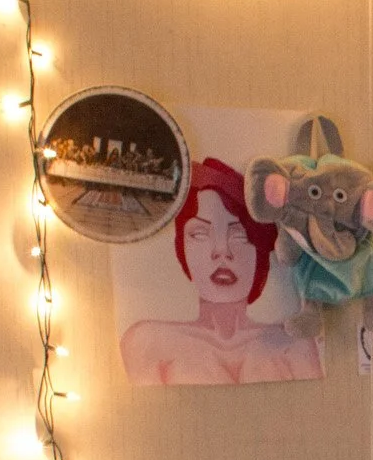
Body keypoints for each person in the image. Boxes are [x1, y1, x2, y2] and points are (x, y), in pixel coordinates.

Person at [120, 157, 322, 386]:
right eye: (199, 234)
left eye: (240, 235)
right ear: (182, 248)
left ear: (260, 249)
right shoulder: (148, 341)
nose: (222, 251)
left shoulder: (293, 344)